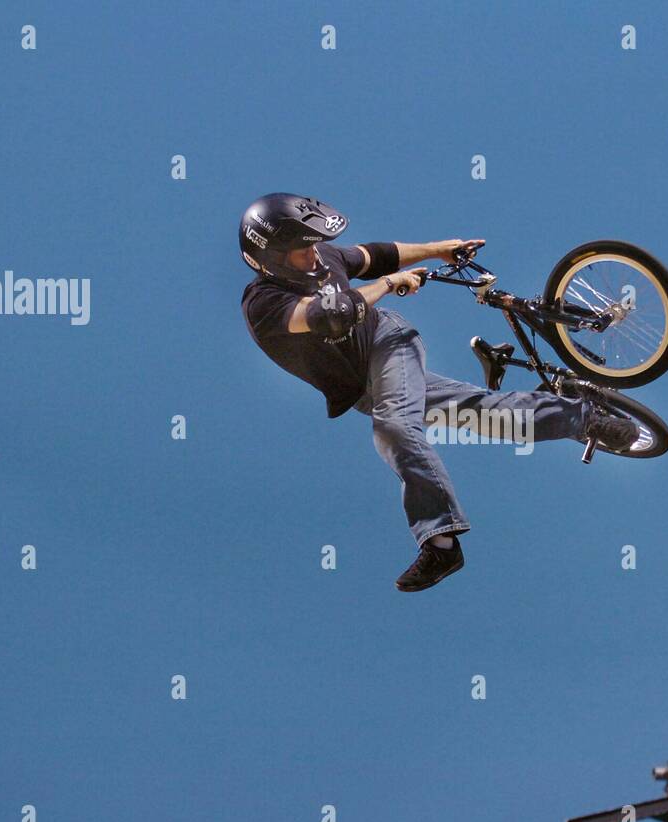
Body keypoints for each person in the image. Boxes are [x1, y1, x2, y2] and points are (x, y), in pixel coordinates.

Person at [238, 193, 638, 591]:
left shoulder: (324, 257)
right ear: (270, 257)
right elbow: (330, 314)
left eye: (313, 246)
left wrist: (438, 250)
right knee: (488, 417)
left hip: (386, 343)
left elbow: (377, 254)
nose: (313, 256)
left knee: (394, 430)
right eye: (299, 251)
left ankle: (441, 544)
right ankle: (587, 418)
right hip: (364, 389)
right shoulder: (264, 304)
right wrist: (389, 284)